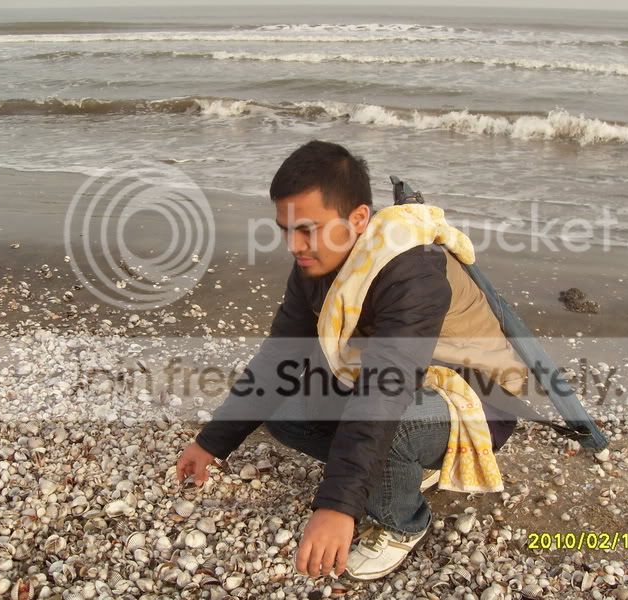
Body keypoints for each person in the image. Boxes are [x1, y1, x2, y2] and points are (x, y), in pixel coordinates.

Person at [177, 140, 526, 581]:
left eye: (308, 229)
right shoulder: (315, 262)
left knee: (394, 425)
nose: (294, 245)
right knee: (285, 411)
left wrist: (338, 507)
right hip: (410, 384)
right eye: (286, 229)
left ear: (359, 218)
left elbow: (385, 390)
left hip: (478, 398)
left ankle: (402, 522)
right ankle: (396, 469)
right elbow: (279, 358)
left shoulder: (412, 272)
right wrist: (212, 442)